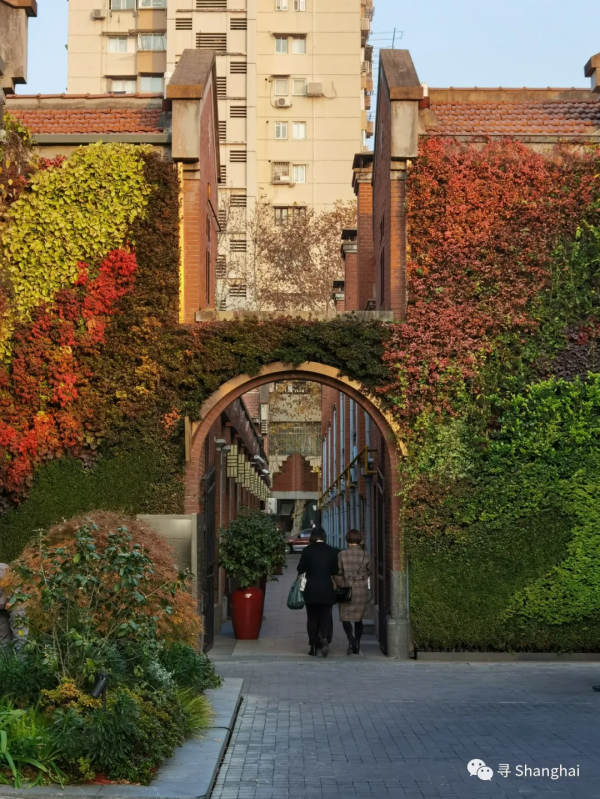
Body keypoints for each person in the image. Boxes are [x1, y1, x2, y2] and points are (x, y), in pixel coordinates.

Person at [297, 528, 338, 657]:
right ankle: (325, 638)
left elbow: (300, 568)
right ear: (324, 537)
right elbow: (334, 571)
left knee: (312, 618)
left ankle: (313, 646)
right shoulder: (332, 551)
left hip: (311, 588)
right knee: (326, 616)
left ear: (312, 537)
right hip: (326, 588)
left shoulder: (307, 551)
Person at [335, 530, 372, 655]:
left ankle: (351, 640)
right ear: (359, 540)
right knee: (358, 618)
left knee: (345, 617)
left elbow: (338, 572)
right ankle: (358, 642)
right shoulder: (365, 555)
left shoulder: (342, 554)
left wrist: (341, 582)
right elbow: (370, 570)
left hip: (347, 588)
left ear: (347, 540)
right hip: (361, 589)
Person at [0, 563, 27, 652]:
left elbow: (19, 585)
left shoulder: (2, 570)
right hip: (1, 610)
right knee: (4, 639)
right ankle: (8, 663)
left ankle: (22, 660)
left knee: (20, 634)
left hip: (15, 603)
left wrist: (13, 600)